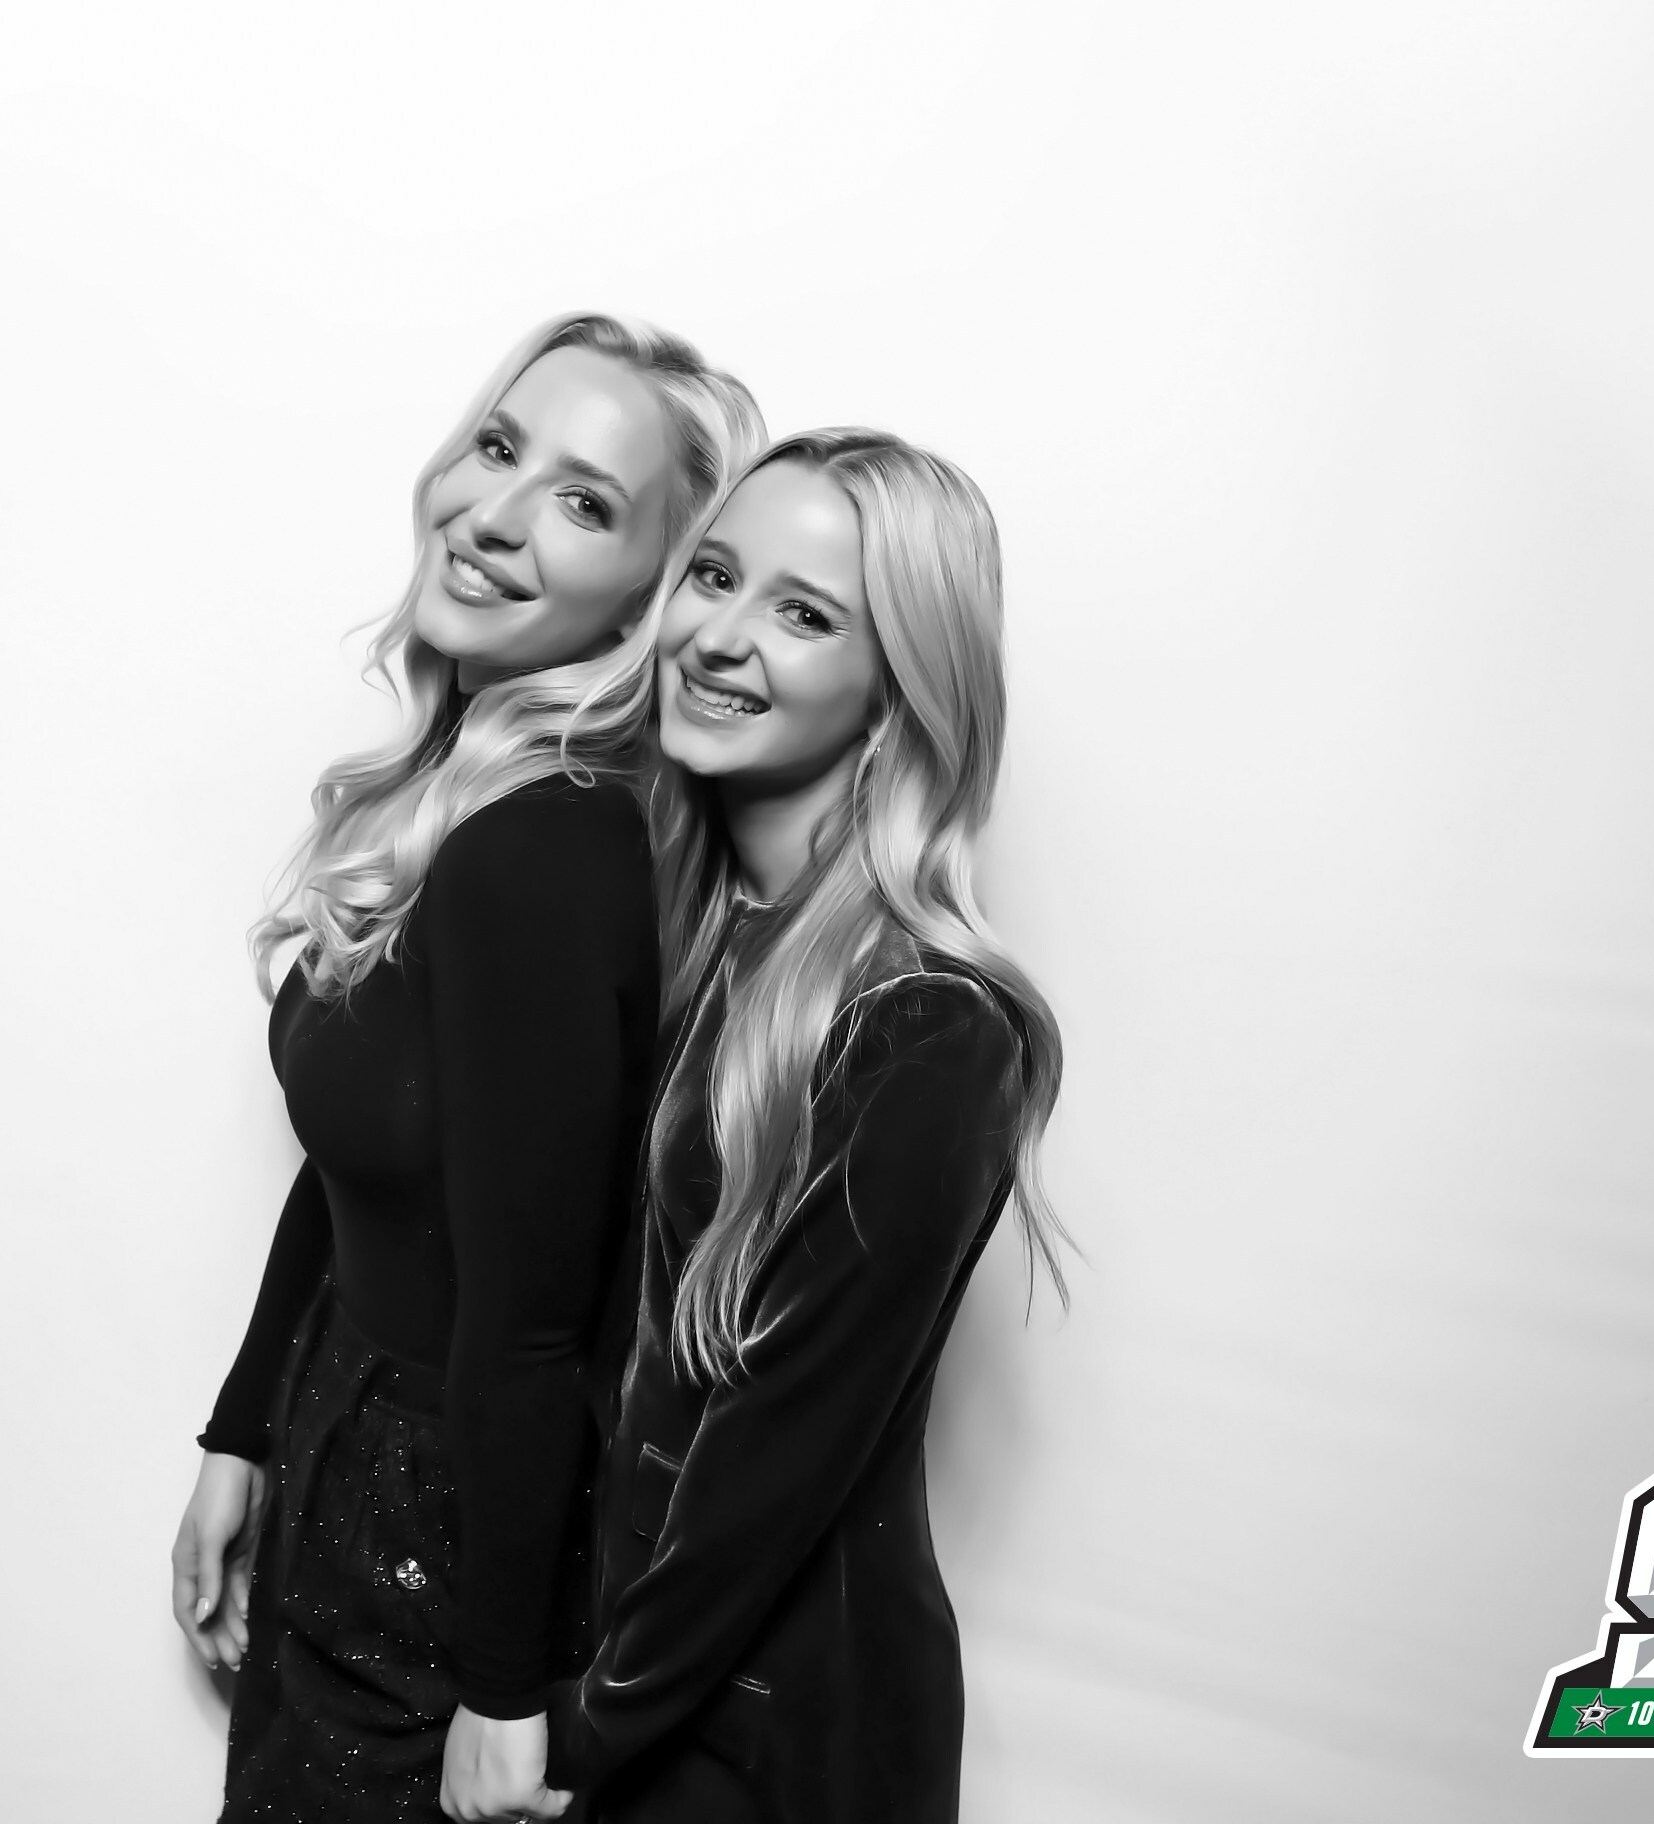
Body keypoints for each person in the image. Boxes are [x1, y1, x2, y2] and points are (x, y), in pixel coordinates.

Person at [169, 314, 764, 1823]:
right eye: (500, 447)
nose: (496, 516)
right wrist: (247, 1428)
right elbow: (378, 1165)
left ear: (649, 595)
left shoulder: (544, 849)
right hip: (357, 1444)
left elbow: (530, 1323)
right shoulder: (464, 799)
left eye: (585, 503)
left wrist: (500, 1690)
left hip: (442, 1526)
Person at [522, 430, 1067, 1822]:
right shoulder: (694, 944)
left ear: (900, 693)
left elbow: (769, 1471)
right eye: (714, 576)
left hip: (775, 1753)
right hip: (635, 1697)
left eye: (805, 614)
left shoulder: (929, 1030)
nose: (720, 636)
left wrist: (567, 1735)